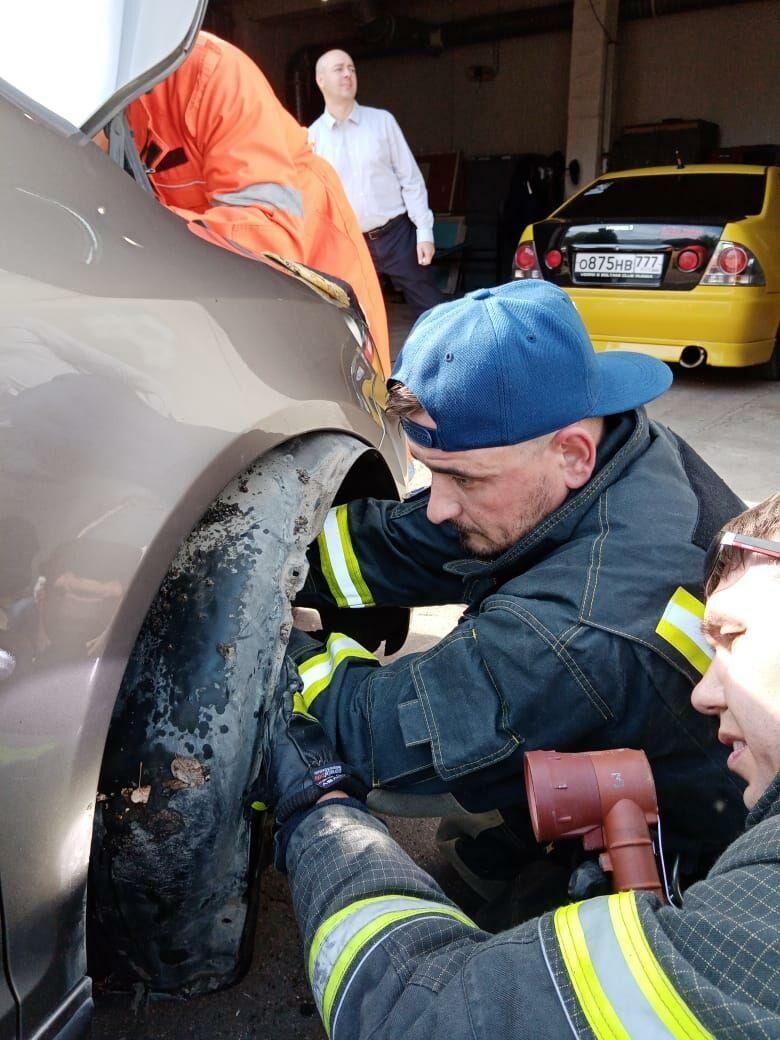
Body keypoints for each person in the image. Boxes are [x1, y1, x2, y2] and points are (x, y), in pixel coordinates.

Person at [286, 278, 747, 903]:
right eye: (431, 472)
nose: (440, 506)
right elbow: (423, 540)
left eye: (463, 480)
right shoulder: (609, 452)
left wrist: (273, 648)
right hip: (643, 715)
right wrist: (279, 556)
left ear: (572, 454)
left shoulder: (575, 633)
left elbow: (369, 733)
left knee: (472, 834)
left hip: (709, 857)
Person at [261, 492, 780, 1040]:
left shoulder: (751, 931)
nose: (705, 693)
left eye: (735, 636)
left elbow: (417, 1017)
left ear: (574, 450)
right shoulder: (648, 475)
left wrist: (320, 808)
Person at [123, 32, 391, 373]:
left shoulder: (213, 72)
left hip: (312, 257)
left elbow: (272, 231)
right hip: (220, 286)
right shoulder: (100, 108)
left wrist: (133, 230)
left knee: (356, 392)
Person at [309, 50, 445, 319]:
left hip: (396, 235)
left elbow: (411, 179)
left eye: (352, 68)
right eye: (339, 69)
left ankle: (454, 358)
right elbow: (315, 199)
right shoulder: (313, 138)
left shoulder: (382, 122)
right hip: (350, 242)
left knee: (432, 308)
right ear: (320, 80)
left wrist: (424, 232)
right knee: (353, 317)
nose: (348, 74)